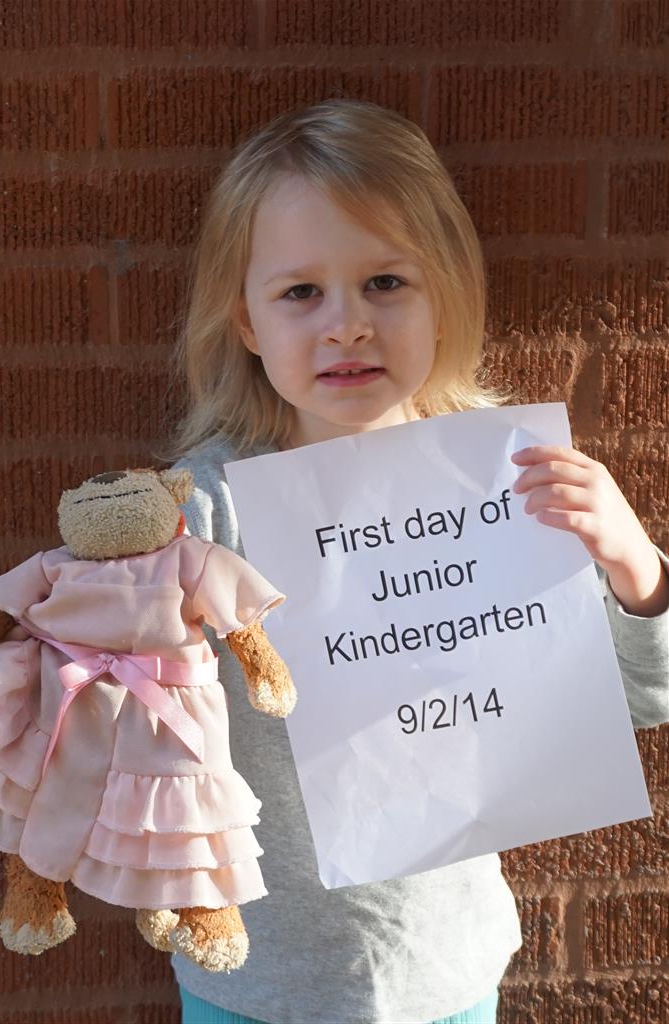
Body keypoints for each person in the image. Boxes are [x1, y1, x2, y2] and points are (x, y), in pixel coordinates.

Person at [162, 98, 669, 1024]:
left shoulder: (506, 482)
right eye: (300, 292)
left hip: (447, 966)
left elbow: (640, 699)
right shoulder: (201, 509)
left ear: (444, 297)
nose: (346, 324)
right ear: (245, 321)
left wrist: (635, 567)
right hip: (257, 979)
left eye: (386, 282)